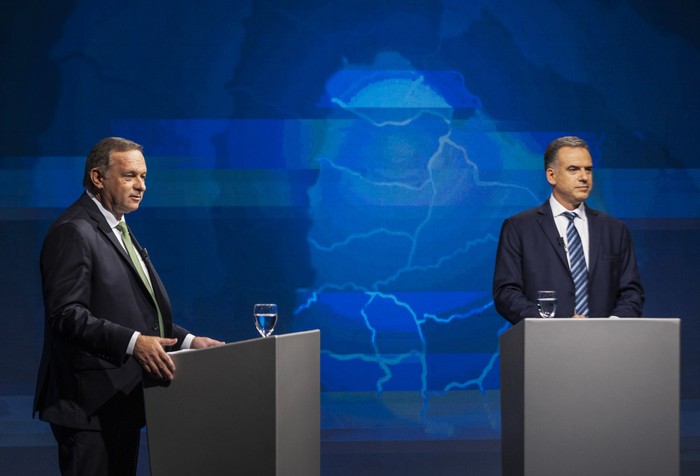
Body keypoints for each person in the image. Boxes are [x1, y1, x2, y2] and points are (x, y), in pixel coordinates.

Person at [33, 137, 224, 475]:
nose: (141, 186)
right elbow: (65, 315)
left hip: (120, 403)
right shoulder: (73, 231)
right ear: (97, 177)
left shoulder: (118, 228)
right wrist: (134, 344)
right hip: (88, 408)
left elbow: (135, 313)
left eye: (144, 176)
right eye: (130, 176)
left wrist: (190, 342)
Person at [492, 136, 644, 325]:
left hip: (605, 345)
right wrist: (554, 324)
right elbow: (506, 293)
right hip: (546, 345)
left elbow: (631, 292)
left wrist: (611, 325)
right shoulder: (519, 228)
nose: (584, 177)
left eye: (588, 170)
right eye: (573, 169)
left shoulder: (614, 230)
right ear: (551, 175)